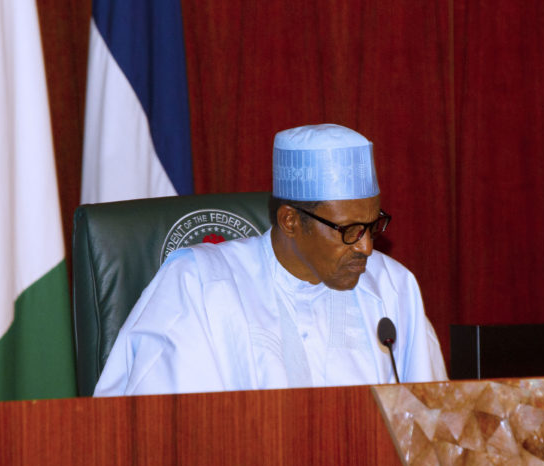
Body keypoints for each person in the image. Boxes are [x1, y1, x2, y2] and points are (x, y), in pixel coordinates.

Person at [93, 124, 447, 396]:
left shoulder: (393, 287)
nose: (367, 247)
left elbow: (434, 429)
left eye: (372, 225)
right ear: (290, 221)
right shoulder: (199, 285)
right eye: (349, 230)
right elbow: (162, 428)